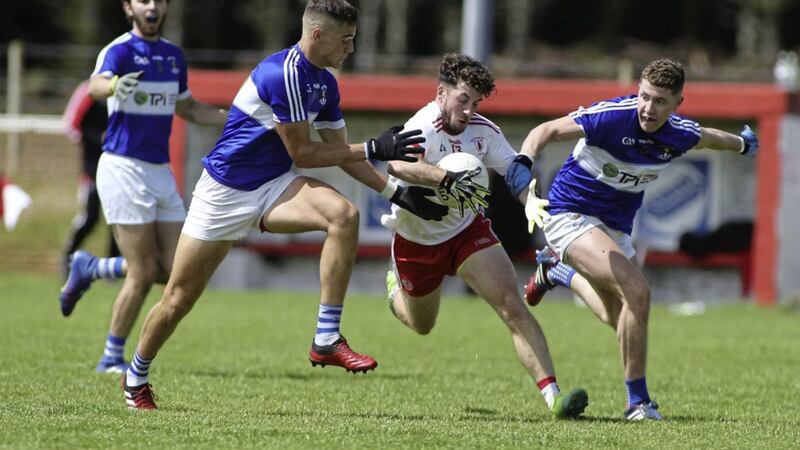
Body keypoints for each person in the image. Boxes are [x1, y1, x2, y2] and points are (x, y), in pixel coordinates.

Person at [120, 0, 447, 410]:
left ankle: (326, 338)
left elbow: (339, 152)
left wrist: (395, 193)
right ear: (317, 35)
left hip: (273, 185)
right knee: (178, 299)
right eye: (345, 40)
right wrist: (375, 146)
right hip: (224, 193)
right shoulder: (284, 73)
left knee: (344, 215)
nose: (351, 48)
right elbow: (305, 153)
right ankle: (135, 378)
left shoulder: (325, 83)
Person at [516, 58, 760, 421]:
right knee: (639, 292)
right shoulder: (612, 117)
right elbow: (546, 130)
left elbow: (710, 138)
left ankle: (556, 271)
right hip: (569, 213)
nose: (648, 107)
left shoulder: (679, 133)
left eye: (660, 101)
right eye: (644, 96)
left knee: (621, 317)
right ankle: (638, 403)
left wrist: (743, 143)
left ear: (678, 103)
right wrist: (523, 163)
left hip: (614, 227)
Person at [382, 53, 589, 419]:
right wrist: (444, 178)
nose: (468, 111)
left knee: (511, 304)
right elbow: (398, 164)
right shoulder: (423, 125)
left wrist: (529, 200)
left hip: (466, 231)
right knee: (421, 325)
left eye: (476, 103)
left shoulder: (484, 132)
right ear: (441, 93)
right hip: (417, 239)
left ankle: (554, 397)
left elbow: (514, 171)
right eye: (463, 99)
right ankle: (394, 288)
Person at [59, 0, 230, 375]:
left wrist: (236, 118)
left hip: (159, 172)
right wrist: (117, 83)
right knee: (141, 273)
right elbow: (96, 85)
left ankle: (91, 268)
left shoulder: (172, 56)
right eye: (143, 0)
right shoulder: (119, 50)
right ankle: (110, 357)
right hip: (123, 168)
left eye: (158, 0)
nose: (151, 6)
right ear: (128, 7)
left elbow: (187, 108)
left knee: (173, 270)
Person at [61, 80, 120, 277]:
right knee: (90, 217)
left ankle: (114, 270)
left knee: (118, 220)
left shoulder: (127, 90)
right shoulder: (88, 91)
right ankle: (67, 259)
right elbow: (70, 126)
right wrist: (98, 138)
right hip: (92, 167)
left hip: (119, 169)